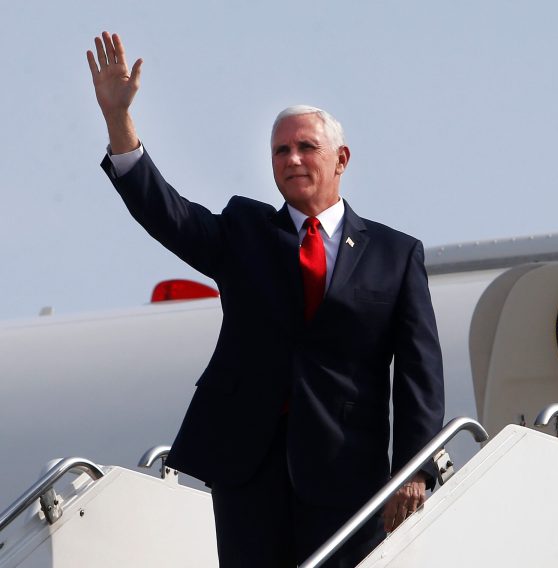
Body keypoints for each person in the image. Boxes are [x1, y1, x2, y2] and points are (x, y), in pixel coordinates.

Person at [86, 32, 445, 567]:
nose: (293, 159)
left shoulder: (395, 255)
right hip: (248, 469)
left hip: (346, 472)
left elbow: (419, 374)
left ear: (341, 158)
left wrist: (414, 469)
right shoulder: (245, 231)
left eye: (306, 147)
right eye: (281, 150)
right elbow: (168, 213)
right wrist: (120, 122)